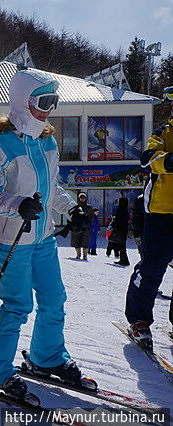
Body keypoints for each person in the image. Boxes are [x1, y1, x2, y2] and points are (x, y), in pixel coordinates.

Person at [0, 68, 87, 401]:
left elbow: (51, 189)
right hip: (11, 239)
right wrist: (18, 204)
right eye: (43, 101)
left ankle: (45, 357)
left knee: (54, 300)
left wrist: (71, 209)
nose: (48, 109)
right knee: (17, 306)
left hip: (43, 238)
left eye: (54, 101)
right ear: (23, 103)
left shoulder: (47, 140)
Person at [125, 87, 173, 347]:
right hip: (161, 213)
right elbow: (148, 159)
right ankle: (139, 319)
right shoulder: (163, 132)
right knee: (152, 268)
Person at [70, 192, 93, 260]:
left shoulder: (89, 207)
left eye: (83, 198)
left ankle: (85, 256)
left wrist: (88, 224)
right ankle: (78, 255)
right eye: (81, 198)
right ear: (78, 198)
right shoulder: (75, 206)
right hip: (77, 226)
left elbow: (91, 217)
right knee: (76, 241)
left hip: (86, 227)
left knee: (85, 241)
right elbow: (71, 216)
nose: (82, 199)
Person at [107, 197, 130, 266]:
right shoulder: (125, 210)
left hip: (120, 230)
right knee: (122, 246)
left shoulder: (121, 210)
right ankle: (123, 259)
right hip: (123, 230)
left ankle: (124, 261)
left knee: (122, 246)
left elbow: (118, 220)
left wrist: (114, 225)